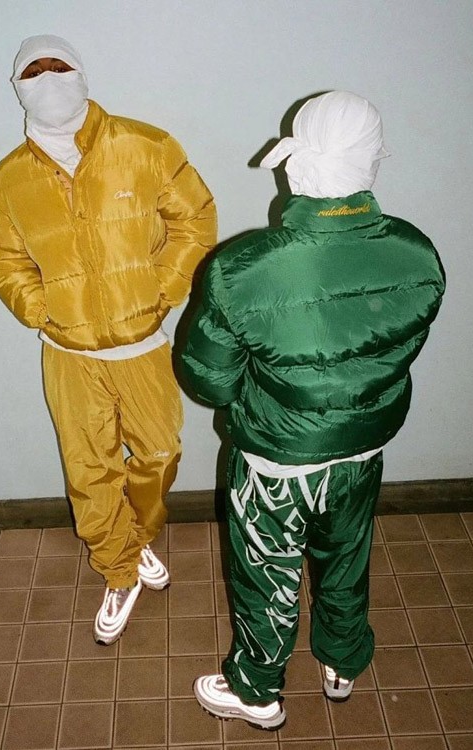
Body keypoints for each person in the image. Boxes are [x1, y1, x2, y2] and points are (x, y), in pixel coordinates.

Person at [182, 91, 445, 730]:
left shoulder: (242, 269)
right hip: (364, 450)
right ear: (371, 163)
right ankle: (342, 662)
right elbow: (392, 351)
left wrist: (255, 400)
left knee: (265, 573)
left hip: (275, 461)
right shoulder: (417, 253)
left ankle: (257, 692)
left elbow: (207, 379)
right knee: (345, 558)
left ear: (298, 164)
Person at [0, 35, 216, 645]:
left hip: (142, 345)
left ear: (82, 74)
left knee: (159, 453)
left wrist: (161, 291)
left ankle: (134, 537)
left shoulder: (147, 146)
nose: (48, 79)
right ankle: (118, 568)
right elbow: (6, 259)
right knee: (89, 467)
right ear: (18, 89)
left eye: (58, 67)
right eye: (33, 72)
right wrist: (42, 312)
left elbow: (195, 221)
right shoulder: (10, 178)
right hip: (68, 354)